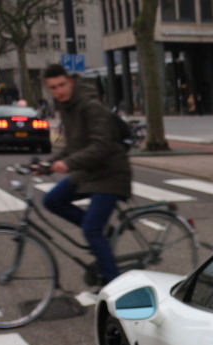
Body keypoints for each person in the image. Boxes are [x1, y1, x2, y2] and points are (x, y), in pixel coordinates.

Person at [41, 63, 133, 287]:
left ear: (70, 81)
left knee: (91, 229)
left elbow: (101, 146)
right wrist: (48, 164)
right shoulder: (67, 107)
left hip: (110, 173)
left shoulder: (90, 106)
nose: (58, 91)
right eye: (53, 88)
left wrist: (67, 164)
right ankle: (103, 231)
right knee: (51, 200)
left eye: (61, 85)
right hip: (89, 173)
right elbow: (74, 146)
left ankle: (115, 287)